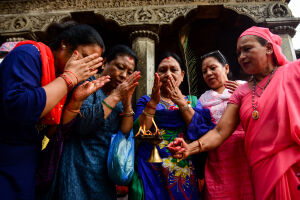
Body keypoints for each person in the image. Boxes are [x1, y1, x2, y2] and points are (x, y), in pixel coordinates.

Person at [168, 26, 300, 200]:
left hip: (294, 167)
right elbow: (220, 132)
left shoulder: (294, 72)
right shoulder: (242, 92)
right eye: (238, 53)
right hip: (261, 170)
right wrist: (189, 148)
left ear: (268, 48)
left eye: (247, 49)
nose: (242, 57)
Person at [0, 22, 110, 199]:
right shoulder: (29, 54)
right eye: (84, 57)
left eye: (92, 64)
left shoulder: (60, 77)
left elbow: (55, 132)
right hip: (6, 159)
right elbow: (19, 108)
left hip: (29, 163)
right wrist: (68, 79)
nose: (87, 68)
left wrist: (75, 102)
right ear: (64, 43)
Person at [49, 45, 141, 200]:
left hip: (103, 171)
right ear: (104, 63)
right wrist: (117, 96)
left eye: (129, 72)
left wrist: (127, 103)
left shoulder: (119, 98)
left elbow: (124, 132)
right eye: (120, 67)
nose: (124, 75)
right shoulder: (87, 85)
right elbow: (82, 126)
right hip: (77, 165)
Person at [133, 52, 215, 200]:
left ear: (182, 75)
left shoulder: (193, 101)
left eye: (173, 70)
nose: (168, 74)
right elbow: (140, 131)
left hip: (183, 167)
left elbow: (201, 131)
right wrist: (152, 103)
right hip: (151, 166)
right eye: (163, 70)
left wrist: (181, 103)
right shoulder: (145, 100)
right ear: (156, 75)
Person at [199, 50, 253, 199]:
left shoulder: (245, 87)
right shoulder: (203, 100)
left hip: (245, 152)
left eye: (213, 68)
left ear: (226, 68)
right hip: (218, 156)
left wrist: (247, 97)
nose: (208, 73)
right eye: (204, 71)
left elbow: (260, 114)